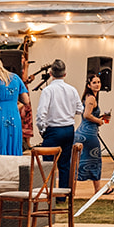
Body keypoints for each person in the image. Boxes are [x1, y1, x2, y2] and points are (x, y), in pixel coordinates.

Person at [36, 59, 80, 200]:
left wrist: (41, 128)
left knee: (48, 164)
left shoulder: (48, 90)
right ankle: (62, 196)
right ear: (65, 74)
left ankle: (48, 194)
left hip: (53, 129)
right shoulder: (72, 90)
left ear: (50, 73)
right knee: (64, 164)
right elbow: (80, 109)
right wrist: (68, 111)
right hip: (68, 129)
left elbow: (41, 112)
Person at [75, 73, 112, 189]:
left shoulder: (88, 97)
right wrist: (99, 121)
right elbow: (87, 115)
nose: (97, 85)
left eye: (99, 82)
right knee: (95, 159)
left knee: (78, 161)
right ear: (89, 85)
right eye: (94, 82)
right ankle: (97, 190)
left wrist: (99, 118)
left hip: (82, 133)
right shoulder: (91, 98)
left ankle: (72, 189)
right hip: (88, 134)